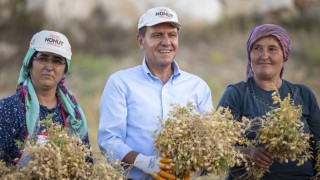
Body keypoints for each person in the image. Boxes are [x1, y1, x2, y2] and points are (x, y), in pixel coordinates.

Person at [98, 7, 213, 180]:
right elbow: (109, 140)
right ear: (141, 41)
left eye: (172, 35)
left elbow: (210, 138)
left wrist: (198, 164)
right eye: (157, 35)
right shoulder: (120, 83)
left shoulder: (198, 86)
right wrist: (142, 162)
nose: (166, 42)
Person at [218, 24, 320, 179]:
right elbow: (216, 147)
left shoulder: (303, 94)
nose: (264, 55)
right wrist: (248, 153)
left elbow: (318, 145)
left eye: (272, 49)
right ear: (250, 54)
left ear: (284, 54)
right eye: (257, 48)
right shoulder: (236, 94)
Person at [0, 30, 90, 167]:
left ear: (65, 68)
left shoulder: (73, 116)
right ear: (29, 63)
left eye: (57, 61)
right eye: (42, 58)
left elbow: (87, 164)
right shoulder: (9, 109)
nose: (49, 67)